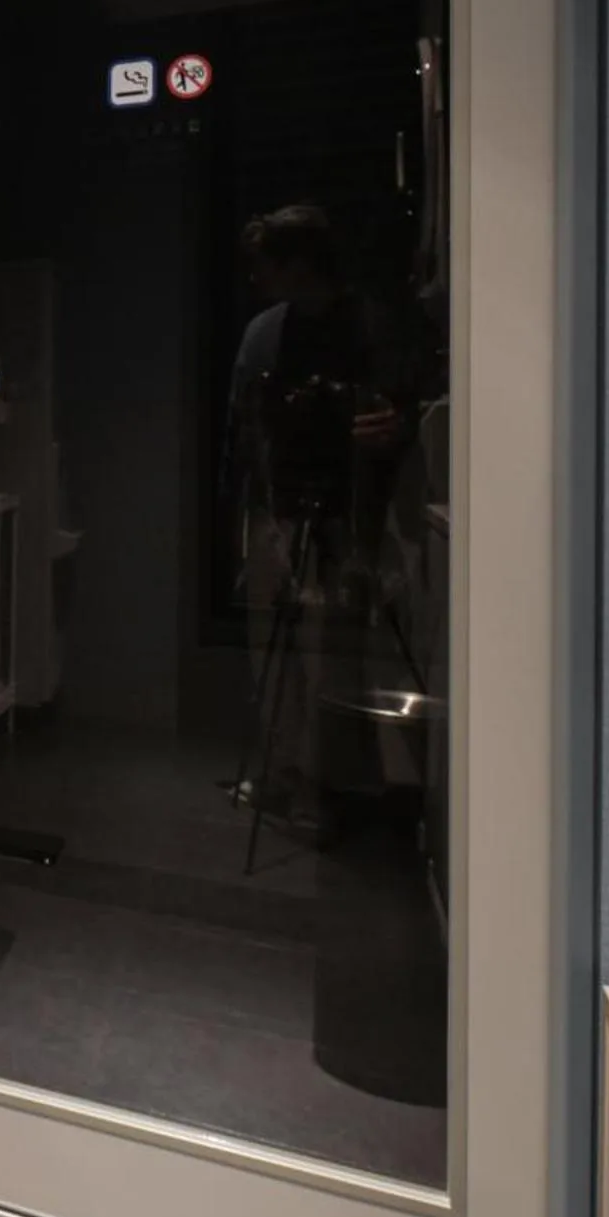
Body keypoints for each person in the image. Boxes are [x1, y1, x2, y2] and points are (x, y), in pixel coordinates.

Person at [225, 206, 415, 831]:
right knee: (272, 655)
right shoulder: (263, 334)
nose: (258, 279)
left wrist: (390, 433)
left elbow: (400, 412)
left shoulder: (367, 328)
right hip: (277, 507)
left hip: (347, 511)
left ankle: (322, 785)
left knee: (328, 656)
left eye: (269, 265)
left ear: (299, 263)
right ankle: (283, 774)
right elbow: (242, 428)